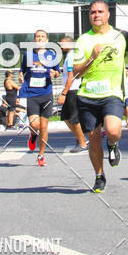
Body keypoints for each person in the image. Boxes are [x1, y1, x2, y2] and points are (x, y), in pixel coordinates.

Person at [73, 0, 128, 192]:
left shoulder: (121, 36)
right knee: (94, 140)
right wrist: (92, 57)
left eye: (100, 11)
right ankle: (99, 175)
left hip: (112, 93)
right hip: (87, 96)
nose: (96, 15)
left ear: (108, 14)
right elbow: (77, 73)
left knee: (112, 131)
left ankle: (112, 144)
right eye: (92, 12)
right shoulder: (83, 40)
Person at [19, 29, 61, 166]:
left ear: (47, 40)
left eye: (42, 37)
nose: (40, 39)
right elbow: (22, 70)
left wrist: (54, 74)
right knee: (35, 125)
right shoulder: (28, 55)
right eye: (37, 37)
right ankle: (33, 134)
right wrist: (20, 75)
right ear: (34, 40)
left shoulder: (51, 55)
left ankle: (41, 155)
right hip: (32, 94)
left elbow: (57, 72)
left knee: (43, 126)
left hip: (46, 94)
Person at [56, 36, 88, 153]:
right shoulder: (69, 57)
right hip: (70, 90)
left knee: (74, 118)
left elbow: (71, 77)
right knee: (65, 117)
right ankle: (82, 139)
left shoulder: (71, 57)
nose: (61, 46)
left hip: (72, 91)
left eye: (63, 44)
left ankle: (83, 144)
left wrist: (64, 93)